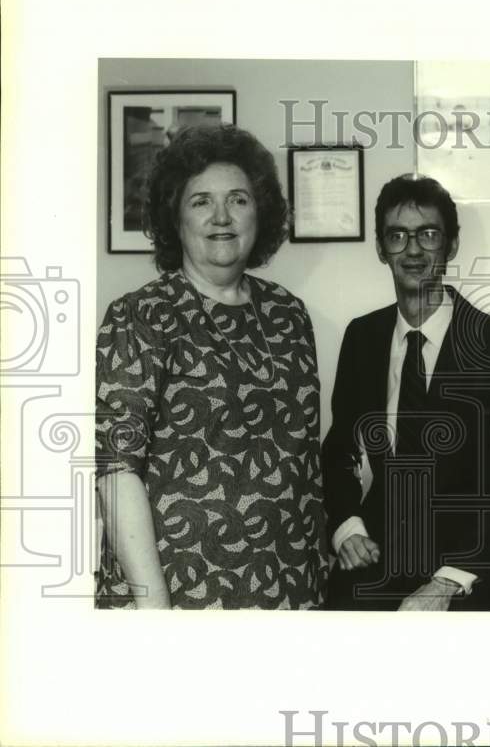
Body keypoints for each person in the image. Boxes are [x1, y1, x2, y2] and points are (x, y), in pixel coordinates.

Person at [95, 124, 327, 609]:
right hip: (178, 595)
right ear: (174, 217)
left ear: (260, 212)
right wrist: (153, 611)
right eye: (201, 201)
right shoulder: (140, 315)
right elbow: (116, 471)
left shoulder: (289, 314)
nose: (222, 216)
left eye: (238, 199)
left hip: (288, 587)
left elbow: (304, 466)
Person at [321, 174, 490, 611]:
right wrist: (347, 527)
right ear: (380, 248)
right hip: (372, 565)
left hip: (461, 577)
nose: (412, 250)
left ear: (450, 245)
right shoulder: (363, 336)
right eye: (397, 236)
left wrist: (449, 582)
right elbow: (338, 449)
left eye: (428, 234)